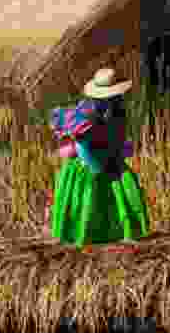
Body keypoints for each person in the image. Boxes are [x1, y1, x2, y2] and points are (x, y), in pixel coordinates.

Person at [49, 68, 149, 247]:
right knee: (88, 198)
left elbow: (116, 132)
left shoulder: (118, 108)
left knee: (122, 192)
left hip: (110, 158)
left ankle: (120, 233)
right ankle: (84, 235)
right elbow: (82, 145)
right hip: (89, 162)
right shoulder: (87, 112)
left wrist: (117, 153)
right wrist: (97, 167)